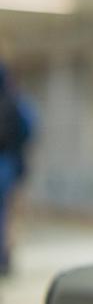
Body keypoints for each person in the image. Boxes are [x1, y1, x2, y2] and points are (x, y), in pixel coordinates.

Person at [0, 64, 33, 276]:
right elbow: (29, 129)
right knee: (8, 214)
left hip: (8, 164)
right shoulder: (16, 102)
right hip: (9, 166)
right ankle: (5, 258)